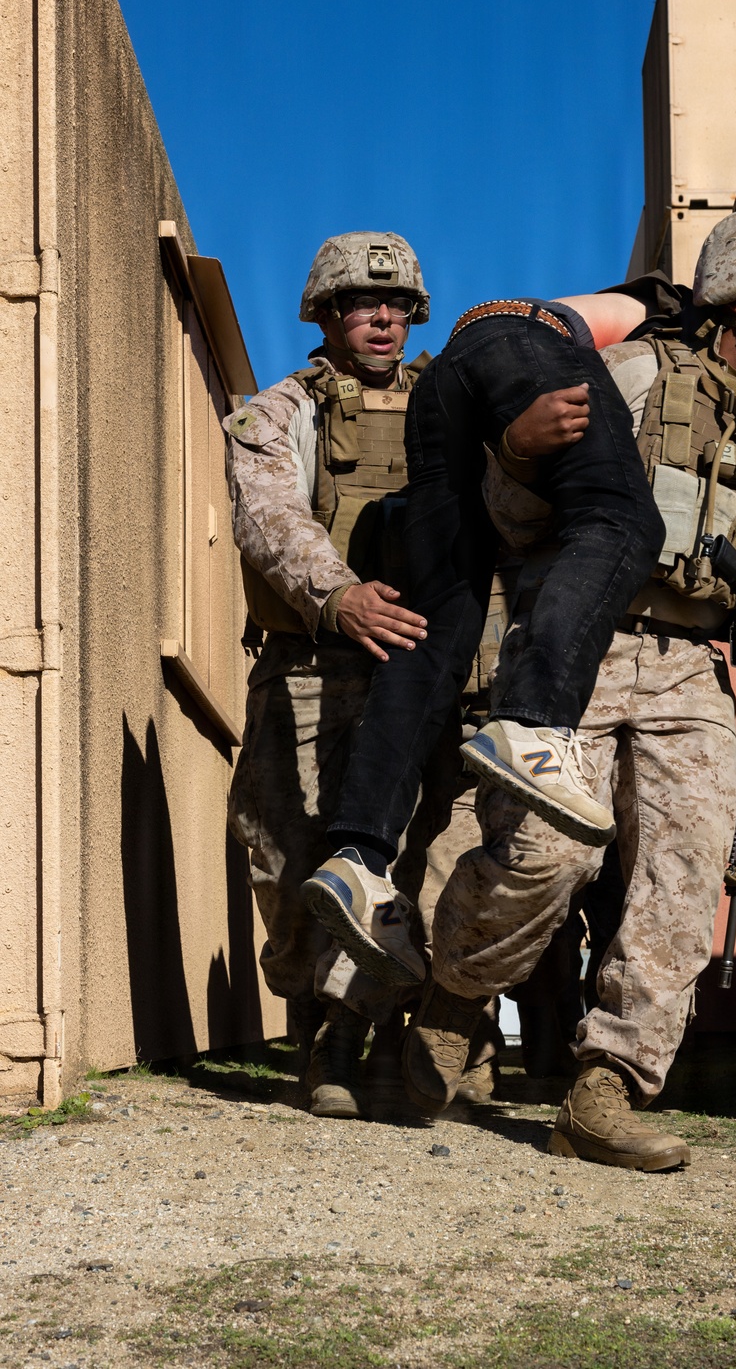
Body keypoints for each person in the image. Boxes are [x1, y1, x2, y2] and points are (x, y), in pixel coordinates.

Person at [400, 207, 736, 1170]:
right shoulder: (636, 373)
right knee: (542, 853)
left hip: (693, 664)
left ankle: (606, 1086)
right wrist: (516, 448)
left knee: (685, 873)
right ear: (734, 290)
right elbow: (513, 516)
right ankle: (452, 1000)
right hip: (577, 640)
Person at [301, 287, 669, 986]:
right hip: (519, 339)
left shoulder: (445, 363)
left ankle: (359, 857)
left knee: (439, 624)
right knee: (622, 522)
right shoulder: (666, 314)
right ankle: (534, 723)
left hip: (445, 388)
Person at [226, 231, 461, 1118]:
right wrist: (340, 594)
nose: (383, 317)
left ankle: (359, 1032)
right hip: (310, 661)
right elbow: (270, 518)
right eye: (363, 302)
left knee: (414, 849)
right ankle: (319, 1019)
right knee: (290, 857)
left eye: (397, 303)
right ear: (325, 313)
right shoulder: (281, 411)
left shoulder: (448, 401)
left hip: (419, 667)